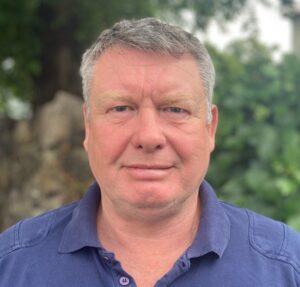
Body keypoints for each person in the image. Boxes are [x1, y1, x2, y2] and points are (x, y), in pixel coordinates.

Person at [0, 18, 299, 287]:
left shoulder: (286, 268)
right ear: (88, 127)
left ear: (210, 128)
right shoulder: (12, 266)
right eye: (121, 108)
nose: (148, 136)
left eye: (175, 109)